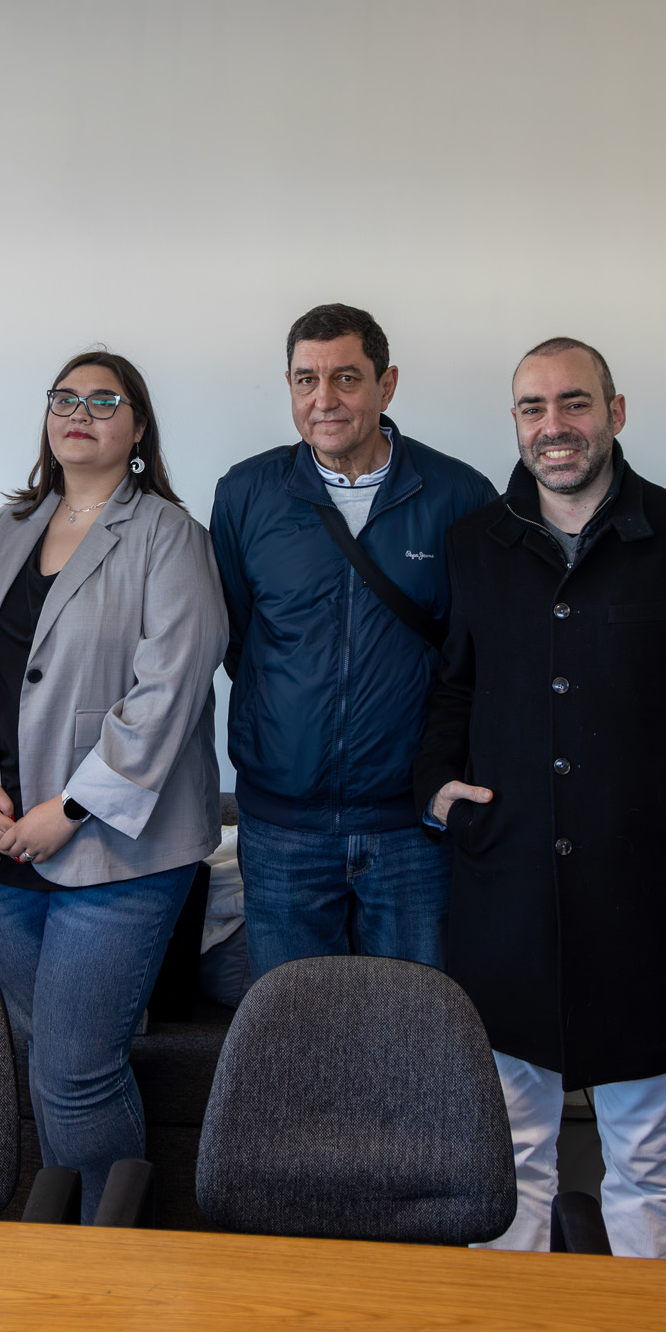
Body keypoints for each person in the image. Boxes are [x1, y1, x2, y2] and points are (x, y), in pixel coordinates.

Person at [414, 338, 666, 1259]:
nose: (553, 427)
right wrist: (438, 791)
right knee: (510, 1154)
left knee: (647, 1155)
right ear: (514, 423)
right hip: (506, 883)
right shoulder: (475, 541)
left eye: (575, 403)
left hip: (646, 895)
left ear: (617, 411)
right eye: (532, 408)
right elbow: (455, 684)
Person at [0, 350, 224, 1221]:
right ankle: (64, 1232)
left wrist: (72, 806)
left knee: (76, 1064)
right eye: (65, 398)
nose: (81, 412)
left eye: (105, 399)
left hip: (115, 847)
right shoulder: (3, 528)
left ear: (136, 428)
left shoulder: (169, 535)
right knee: (43, 1051)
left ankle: (114, 1254)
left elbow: (170, 688)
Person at [211, 303, 495, 976]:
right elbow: (237, 636)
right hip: (282, 826)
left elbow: (475, 653)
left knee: (411, 1029)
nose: (324, 399)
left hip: (411, 824)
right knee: (292, 1032)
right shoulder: (247, 493)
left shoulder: (459, 495)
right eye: (306, 380)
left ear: (386, 384)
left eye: (346, 378)